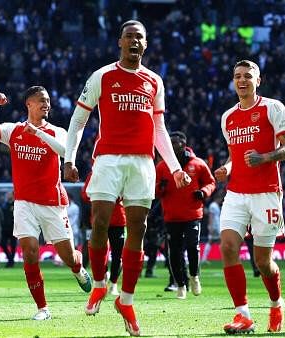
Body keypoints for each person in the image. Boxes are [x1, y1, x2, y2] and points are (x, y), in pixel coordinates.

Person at [64, 20, 191, 337]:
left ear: (145, 45)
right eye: (129, 36)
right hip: (108, 159)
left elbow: (159, 129)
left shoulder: (154, 81)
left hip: (142, 163)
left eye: (140, 37)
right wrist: (69, 158)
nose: (134, 41)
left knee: (139, 228)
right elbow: (79, 120)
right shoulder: (102, 76)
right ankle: (98, 283)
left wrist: (174, 167)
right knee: (100, 222)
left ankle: (127, 300)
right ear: (119, 41)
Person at [0, 87, 92, 320]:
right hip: (24, 203)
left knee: (68, 256)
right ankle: (43, 308)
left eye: (48, 101)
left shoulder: (56, 131)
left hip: (52, 202)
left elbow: (65, 151)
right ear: (29, 104)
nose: (46, 104)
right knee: (29, 252)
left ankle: (78, 269)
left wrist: (38, 134)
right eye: (41, 101)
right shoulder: (14, 131)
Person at [214, 60, 285, 334]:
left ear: (257, 81)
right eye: (237, 76)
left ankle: (276, 303)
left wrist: (265, 158)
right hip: (236, 193)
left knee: (262, 262)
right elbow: (234, 156)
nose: (242, 81)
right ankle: (243, 315)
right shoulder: (228, 117)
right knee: (227, 247)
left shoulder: (273, 107)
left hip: (266, 194)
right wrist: (227, 167)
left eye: (247, 76)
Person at [156, 131, 216, 299]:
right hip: (171, 216)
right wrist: (160, 187)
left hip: (192, 214)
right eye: (169, 143)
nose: (171, 146)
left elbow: (211, 182)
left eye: (174, 143)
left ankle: (194, 276)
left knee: (192, 246)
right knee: (174, 253)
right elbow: (154, 190)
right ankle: (181, 285)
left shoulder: (198, 164)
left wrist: (203, 192)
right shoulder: (162, 167)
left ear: (183, 144)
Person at [82, 171, 126, 296]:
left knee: (118, 254)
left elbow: (124, 194)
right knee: (100, 252)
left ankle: (113, 284)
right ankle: (104, 278)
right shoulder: (93, 174)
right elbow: (85, 195)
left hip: (118, 220)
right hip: (99, 219)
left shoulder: (121, 173)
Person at [201, 192, 222, 264]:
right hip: (215, 226)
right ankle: (225, 257)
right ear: (217, 198)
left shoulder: (215, 205)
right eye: (220, 199)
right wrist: (210, 226)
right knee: (219, 241)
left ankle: (204, 258)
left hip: (216, 226)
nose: (221, 201)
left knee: (212, 242)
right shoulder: (213, 206)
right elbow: (211, 216)